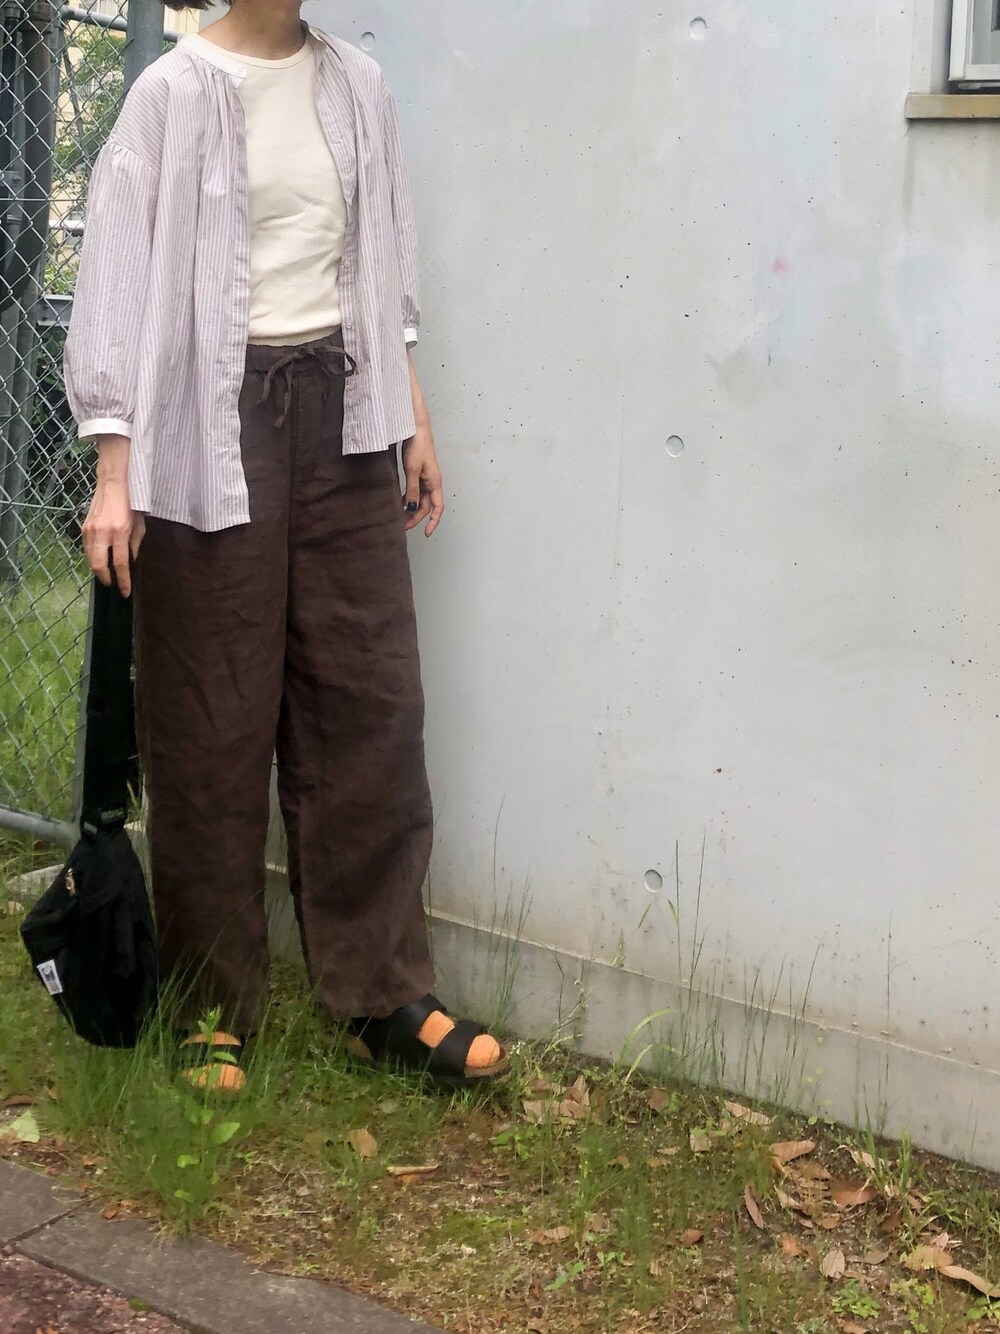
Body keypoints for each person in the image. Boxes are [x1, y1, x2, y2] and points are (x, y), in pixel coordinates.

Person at [63, 0, 507, 1092]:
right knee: (210, 717)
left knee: (370, 701)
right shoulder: (169, 93)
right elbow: (116, 277)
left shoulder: (357, 84)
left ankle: (380, 996)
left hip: (347, 412)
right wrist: (115, 468)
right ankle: (210, 1007)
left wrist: (412, 417)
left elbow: (381, 265)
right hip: (210, 423)